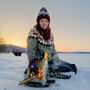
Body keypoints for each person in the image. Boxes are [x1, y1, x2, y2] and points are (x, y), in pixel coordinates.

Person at [26, 7, 77, 76]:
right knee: (67, 69)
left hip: (51, 60)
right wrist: (32, 64)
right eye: (42, 21)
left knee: (72, 66)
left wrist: (55, 58)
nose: (44, 23)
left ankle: (56, 65)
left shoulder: (50, 35)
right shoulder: (34, 32)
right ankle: (50, 70)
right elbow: (30, 49)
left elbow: (53, 50)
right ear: (38, 22)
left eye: (46, 21)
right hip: (41, 61)